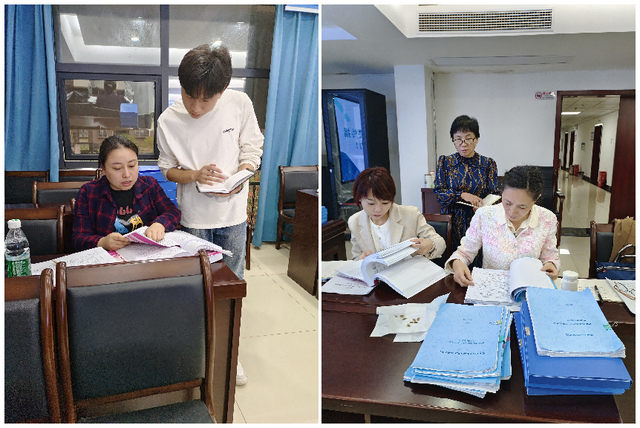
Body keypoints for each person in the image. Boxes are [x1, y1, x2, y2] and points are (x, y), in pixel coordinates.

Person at [156, 44, 263, 386]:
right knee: (196, 288)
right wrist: (195, 174)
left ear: (223, 90)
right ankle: (196, 351)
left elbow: (252, 150)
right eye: (190, 96)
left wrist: (241, 176)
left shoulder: (239, 103)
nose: (197, 107)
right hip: (193, 218)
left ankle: (230, 351)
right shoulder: (168, 120)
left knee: (231, 284)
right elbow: (167, 168)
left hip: (233, 215)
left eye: (207, 99)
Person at [445, 165, 560, 287]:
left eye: (522, 207)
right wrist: (458, 265)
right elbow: (464, 252)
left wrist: (551, 265)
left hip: (529, 287)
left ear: (535, 200)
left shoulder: (547, 218)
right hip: (491, 287)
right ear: (502, 194)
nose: (512, 212)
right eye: (507, 203)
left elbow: (550, 255)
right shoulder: (484, 215)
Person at [73, 135, 181, 252]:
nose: (127, 174)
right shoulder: (88, 193)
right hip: (110, 258)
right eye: (117, 168)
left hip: (146, 255)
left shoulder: (149, 185)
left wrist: (160, 224)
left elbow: (172, 211)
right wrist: (102, 242)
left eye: (131, 166)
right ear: (103, 169)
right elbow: (78, 238)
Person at [348, 167, 446, 261]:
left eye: (385, 203)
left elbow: (440, 242)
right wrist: (361, 260)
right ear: (359, 198)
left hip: (409, 271)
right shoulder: (354, 222)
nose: (378, 209)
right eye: (371, 203)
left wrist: (430, 245)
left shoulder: (410, 214)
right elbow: (356, 257)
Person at [434, 115, 498, 255]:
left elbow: (494, 194)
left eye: (468, 138)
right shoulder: (446, 162)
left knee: (477, 259)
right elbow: (439, 194)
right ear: (453, 140)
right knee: (453, 259)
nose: (463, 144)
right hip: (452, 221)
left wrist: (484, 206)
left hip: (477, 220)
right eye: (458, 139)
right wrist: (462, 195)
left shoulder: (487, 164)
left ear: (477, 139)